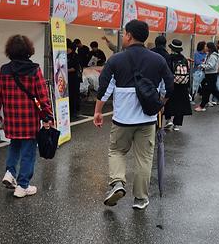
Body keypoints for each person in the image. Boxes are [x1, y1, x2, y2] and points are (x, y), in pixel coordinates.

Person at [94, 20, 174, 211]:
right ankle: (140, 199)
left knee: (117, 151)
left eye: (124, 33)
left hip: (122, 119)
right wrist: (160, 105)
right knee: (144, 158)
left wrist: (98, 111)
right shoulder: (158, 60)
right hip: (147, 119)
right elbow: (169, 86)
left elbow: (105, 88)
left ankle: (118, 183)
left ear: (129, 35)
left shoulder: (115, 60)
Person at [0, 35, 54, 198]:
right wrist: (48, 116)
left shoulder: (4, 70)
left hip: (12, 120)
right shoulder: (34, 69)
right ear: (29, 50)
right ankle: (22, 186)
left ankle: (10, 172)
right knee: (28, 152)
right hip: (29, 120)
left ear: (9, 50)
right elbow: (42, 96)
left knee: (14, 146)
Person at [164, 40, 192, 131]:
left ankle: (168, 120)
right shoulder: (184, 59)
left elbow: (166, 72)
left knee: (169, 101)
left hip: (172, 84)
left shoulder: (169, 58)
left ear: (172, 49)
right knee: (180, 104)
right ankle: (177, 124)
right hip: (183, 85)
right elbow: (187, 72)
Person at [195, 42, 219, 112]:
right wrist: (203, 64)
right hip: (209, 75)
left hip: (211, 75)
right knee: (213, 91)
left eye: (206, 46)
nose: (205, 48)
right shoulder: (209, 55)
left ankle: (202, 106)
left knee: (207, 90)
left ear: (209, 48)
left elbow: (211, 65)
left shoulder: (213, 56)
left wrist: (202, 66)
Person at [66, 39, 83, 119]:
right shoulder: (64, 55)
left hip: (74, 78)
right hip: (67, 78)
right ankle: (70, 110)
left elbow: (75, 68)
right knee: (68, 95)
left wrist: (64, 70)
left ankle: (75, 111)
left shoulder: (75, 56)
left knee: (74, 95)